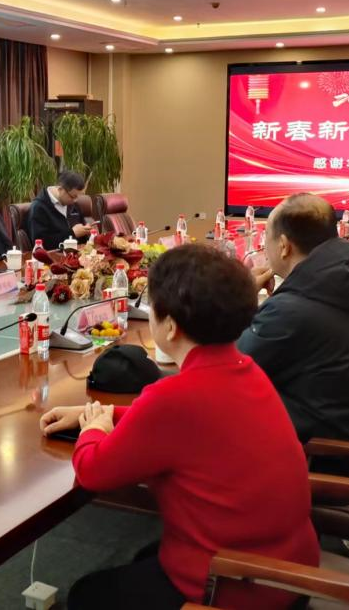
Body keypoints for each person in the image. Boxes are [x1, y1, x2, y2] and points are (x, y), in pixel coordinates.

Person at [41, 244, 318, 610]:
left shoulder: (174, 397)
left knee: (86, 595)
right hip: (286, 568)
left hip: (235, 584)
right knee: (145, 556)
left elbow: (93, 472)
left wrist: (94, 430)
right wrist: (99, 412)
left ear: (170, 325)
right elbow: (178, 424)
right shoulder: (245, 369)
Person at [238, 193, 349, 450]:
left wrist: (241, 299)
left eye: (266, 236)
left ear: (283, 245)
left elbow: (228, 366)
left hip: (323, 454)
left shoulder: (293, 308)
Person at [27, 169, 96, 248]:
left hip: (78, 252)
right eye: (73, 197)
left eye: (78, 196)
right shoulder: (39, 208)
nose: (75, 200)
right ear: (60, 189)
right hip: (54, 254)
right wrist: (72, 233)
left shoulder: (72, 204)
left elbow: (81, 237)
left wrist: (85, 230)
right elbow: (41, 243)